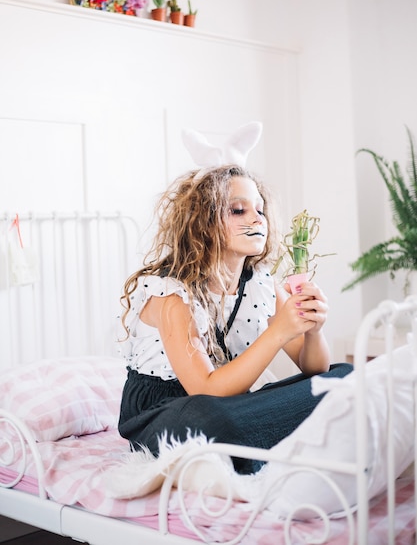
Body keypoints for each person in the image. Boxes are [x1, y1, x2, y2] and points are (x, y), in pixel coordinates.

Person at [117, 162, 353, 474]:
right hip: (170, 411)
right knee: (215, 420)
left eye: (260, 210)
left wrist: (313, 330)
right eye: (238, 210)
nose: (257, 219)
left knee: (342, 378)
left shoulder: (261, 282)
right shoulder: (170, 294)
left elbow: (315, 368)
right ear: (203, 224)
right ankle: (277, 440)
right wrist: (278, 332)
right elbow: (206, 390)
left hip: (234, 404)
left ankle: (257, 443)